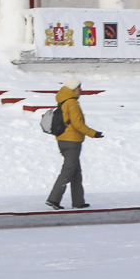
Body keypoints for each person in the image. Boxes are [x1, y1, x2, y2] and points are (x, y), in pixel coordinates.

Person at [48, 76, 102, 209]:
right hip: (72, 141)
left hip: (62, 139)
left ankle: (78, 201)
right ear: (73, 88)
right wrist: (93, 133)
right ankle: (53, 199)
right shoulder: (71, 102)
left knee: (75, 171)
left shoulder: (63, 101)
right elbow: (78, 124)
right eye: (79, 87)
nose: (81, 89)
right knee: (67, 171)